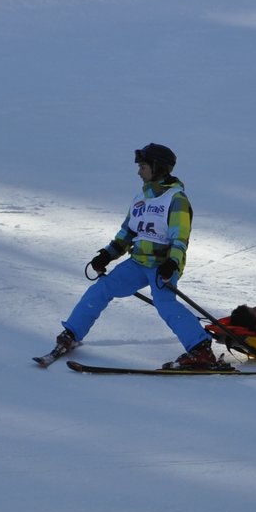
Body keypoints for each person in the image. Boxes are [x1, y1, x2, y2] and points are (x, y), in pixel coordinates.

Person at [39, 143, 223, 370]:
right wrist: (107, 254)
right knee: (101, 288)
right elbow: (127, 233)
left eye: (143, 166)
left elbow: (180, 238)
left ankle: (201, 349)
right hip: (138, 263)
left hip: (162, 265)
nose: (139, 172)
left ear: (158, 168)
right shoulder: (141, 198)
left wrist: (172, 263)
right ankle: (71, 333)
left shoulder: (176, 200)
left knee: (164, 302)